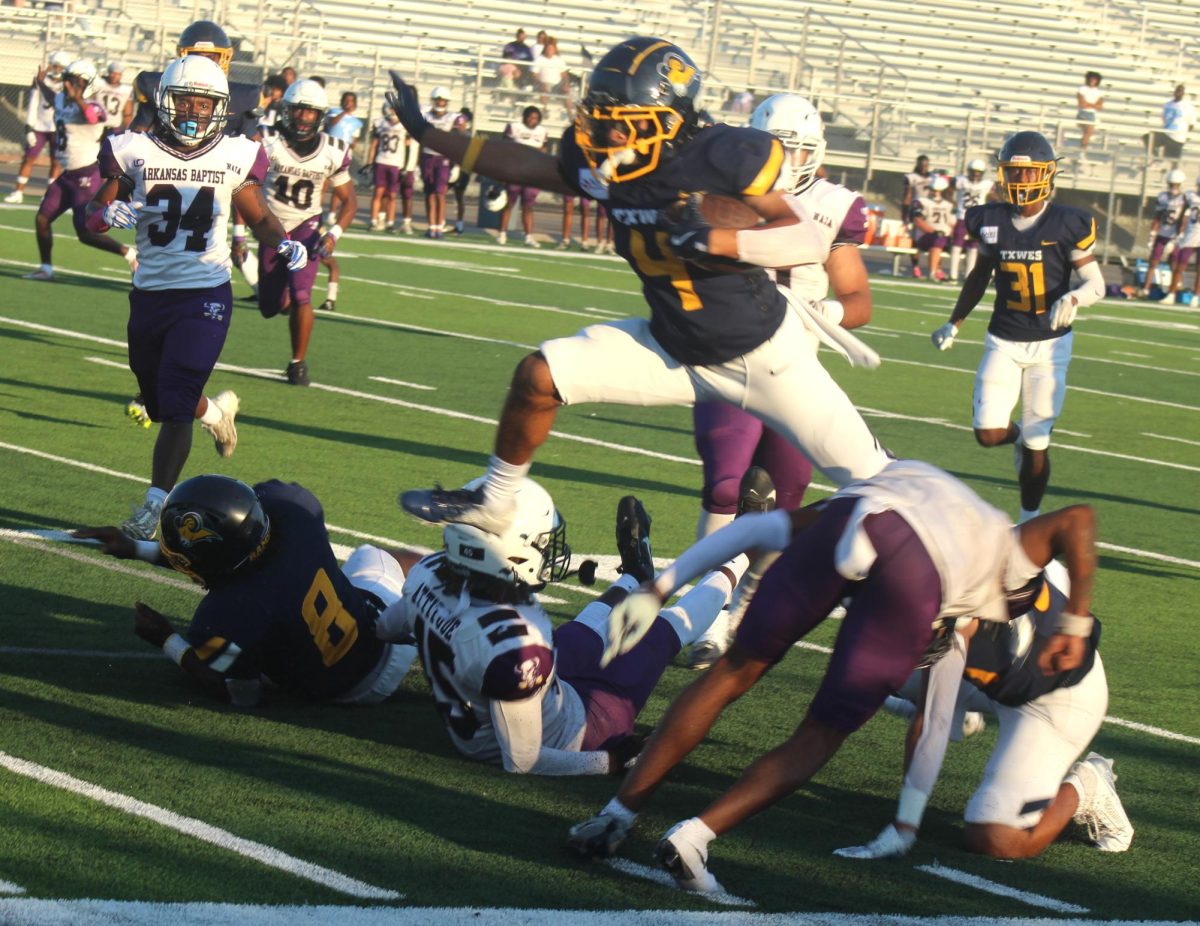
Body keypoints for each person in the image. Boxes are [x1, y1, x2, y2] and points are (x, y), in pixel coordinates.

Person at [388, 37, 890, 538]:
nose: (606, 129)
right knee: (538, 377)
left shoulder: (721, 154)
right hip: (673, 348)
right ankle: (495, 500)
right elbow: (526, 165)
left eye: (622, 118)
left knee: (882, 489)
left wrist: (719, 237)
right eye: (601, 115)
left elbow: (804, 236)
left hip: (767, 356)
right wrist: (428, 134)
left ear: (669, 117)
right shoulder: (615, 162)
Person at [565, 459, 1101, 894]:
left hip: (852, 520)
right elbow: (1076, 520)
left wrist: (660, 588)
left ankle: (617, 813)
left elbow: (760, 527)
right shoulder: (1004, 566)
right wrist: (1074, 622)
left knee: (733, 670)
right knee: (820, 730)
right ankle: (695, 837)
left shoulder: (921, 482)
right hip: (914, 573)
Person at [686, 92, 879, 669]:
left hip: (797, 370)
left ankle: (739, 610)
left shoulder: (830, 205)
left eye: (799, 149)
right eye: (778, 148)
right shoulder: (721, 198)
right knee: (726, 486)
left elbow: (859, 300)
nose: (790, 160)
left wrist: (829, 315)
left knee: (784, 501)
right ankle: (703, 611)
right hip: (731, 358)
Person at [376, 481, 747, 775]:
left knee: (586, 631)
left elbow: (386, 629)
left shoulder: (428, 574)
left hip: (544, 688)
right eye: (540, 542)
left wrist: (442, 631)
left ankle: (635, 575)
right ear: (509, 550)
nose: (549, 549)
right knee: (663, 632)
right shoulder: (515, 649)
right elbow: (524, 761)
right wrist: (611, 761)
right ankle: (745, 555)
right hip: (579, 730)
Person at [85, 54, 308, 539]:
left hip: (206, 290)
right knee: (160, 399)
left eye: (203, 104)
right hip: (150, 294)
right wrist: (108, 214)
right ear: (165, 101)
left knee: (178, 399)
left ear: (219, 109)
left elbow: (258, 214)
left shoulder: (233, 154)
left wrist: (283, 240)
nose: (193, 111)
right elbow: (91, 213)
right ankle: (218, 412)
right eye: (184, 100)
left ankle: (153, 505)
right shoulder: (133, 149)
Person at [835, 560, 1131, 861]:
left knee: (994, 839)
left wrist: (904, 827)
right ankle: (957, 708)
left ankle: (1088, 785)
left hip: (1055, 698)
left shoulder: (958, 604)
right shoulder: (951, 561)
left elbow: (930, 724)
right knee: (868, 665)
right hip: (991, 670)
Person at [75, 475, 419, 707]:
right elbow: (227, 555)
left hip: (355, 689)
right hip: (379, 622)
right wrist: (134, 548)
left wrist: (167, 639)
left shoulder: (228, 613)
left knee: (248, 658)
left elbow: (239, 694)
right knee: (382, 558)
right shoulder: (290, 509)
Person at [930, 131, 1104, 524]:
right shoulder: (989, 219)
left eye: (1029, 174)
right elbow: (979, 276)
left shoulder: (1066, 223)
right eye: (1014, 173)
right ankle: (1018, 441)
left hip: (1050, 346)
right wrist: (954, 322)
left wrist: (1075, 298)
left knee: (1039, 440)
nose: (1021, 182)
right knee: (988, 432)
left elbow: (1096, 283)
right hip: (1003, 339)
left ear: (1046, 174)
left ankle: (1029, 519)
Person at [251, 79, 355, 386]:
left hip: (307, 228)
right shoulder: (267, 140)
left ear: (320, 115)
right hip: (271, 228)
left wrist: (334, 232)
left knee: (301, 295)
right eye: (298, 111)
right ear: (286, 111)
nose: (303, 118)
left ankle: (298, 363)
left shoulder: (333, 150)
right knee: (270, 307)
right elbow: (245, 187)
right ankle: (287, 304)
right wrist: (241, 232)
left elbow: (349, 200)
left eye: (310, 113)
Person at [21, 59, 138, 283]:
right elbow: (51, 97)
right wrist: (40, 83)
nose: (68, 85)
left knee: (85, 233)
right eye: (68, 79)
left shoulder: (93, 106)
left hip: (87, 174)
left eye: (75, 81)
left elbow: (94, 117)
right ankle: (46, 268)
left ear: (87, 84)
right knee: (42, 219)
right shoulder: (62, 99)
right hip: (67, 175)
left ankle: (130, 254)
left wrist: (78, 99)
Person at [129, 21, 263, 137]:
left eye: (210, 57)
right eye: (196, 56)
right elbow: (136, 138)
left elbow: (255, 151)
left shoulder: (243, 97)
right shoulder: (157, 86)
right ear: (182, 56)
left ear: (224, 58)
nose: (202, 62)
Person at [4, 51, 69, 204]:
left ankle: (49, 195)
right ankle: (18, 191)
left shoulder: (68, 83)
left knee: (56, 162)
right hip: (40, 126)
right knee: (28, 158)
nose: (57, 69)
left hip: (58, 127)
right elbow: (33, 103)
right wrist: (29, 127)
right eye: (55, 65)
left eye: (60, 66)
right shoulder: (40, 80)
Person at [497, 106, 548, 247]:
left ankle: (529, 236)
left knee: (528, 206)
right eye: (530, 117)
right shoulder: (514, 127)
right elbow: (504, 147)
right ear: (524, 117)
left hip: (531, 174)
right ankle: (502, 233)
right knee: (509, 204)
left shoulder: (542, 131)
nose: (532, 120)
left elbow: (544, 149)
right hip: (516, 171)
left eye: (535, 118)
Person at [1141, 169, 1189, 297]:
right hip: (1162, 234)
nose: (1173, 187)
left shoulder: (1184, 198)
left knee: (1174, 264)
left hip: (1174, 235)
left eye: (1176, 184)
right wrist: (1152, 234)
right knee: (1153, 262)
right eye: (1172, 184)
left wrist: (1179, 236)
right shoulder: (1162, 196)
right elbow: (1157, 217)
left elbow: (1184, 219)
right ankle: (1146, 289)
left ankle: (1173, 290)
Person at [365, 102, 411, 232]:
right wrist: (369, 163)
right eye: (391, 108)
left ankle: (390, 223)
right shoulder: (379, 123)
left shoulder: (405, 125)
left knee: (392, 195)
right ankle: (373, 221)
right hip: (381, 161)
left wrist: (405, 167)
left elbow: (407, 148)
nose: (393, 111)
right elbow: (374, 145)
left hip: (395, 163)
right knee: (378, 193)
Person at [418, 87, 458, 239]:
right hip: (427, 157)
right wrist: (417, 163)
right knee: (429, 194)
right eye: (438, 99)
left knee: (440, 193)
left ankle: (439, 226)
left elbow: (457, 142)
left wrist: (456, 165)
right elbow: (420, 140)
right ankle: (431, 226)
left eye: (443, 100)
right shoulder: (425, 116)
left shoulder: (453, 118)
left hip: (443, 158)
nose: (440, 102)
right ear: (433, 100)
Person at [949, 158, 996, 281]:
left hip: (977, 219)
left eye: (978, 172)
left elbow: (993, 197)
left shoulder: (986, 184)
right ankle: (952, 274)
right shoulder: (961, 181)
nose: (975, 174)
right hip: (962, 217)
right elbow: (948, 190)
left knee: (973, 246)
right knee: (957, 245)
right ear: (968, 171)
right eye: (973, 171)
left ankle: (968, 275)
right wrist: (952, 203)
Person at [1162, 178, 1200, 305]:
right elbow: (1182, 214)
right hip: (1191, 234)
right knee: (1179, 266)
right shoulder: (1190, 196)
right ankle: (1171, 294)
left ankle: (1196, 296)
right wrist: (1178, 233)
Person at [910, 174, 955, 281]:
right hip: (926, 236)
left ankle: (957, 275)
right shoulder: (921, 202)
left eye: (939, 190)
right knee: (937, 239)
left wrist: (952, 235)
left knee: (963, 243)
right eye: (934, 190)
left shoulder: (949, 205)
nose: (936, 193)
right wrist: (934, 232)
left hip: (944, 237)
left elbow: (952, 224)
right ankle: (933, 273)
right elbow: (917, 220)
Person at [1149, 84, 1195, 165]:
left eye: (1180, 91)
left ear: (1183, 93)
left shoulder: (1188, 107)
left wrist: (1182, 132)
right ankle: (1156, 157)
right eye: (1177, 91)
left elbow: (1191, 125)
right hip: (1166, 134)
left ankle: (1173, 173)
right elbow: (1164, 118)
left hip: (1177, 138)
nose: (1178, 93)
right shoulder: (1167, 105)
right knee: (1148, 138)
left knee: (1174, 162)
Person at [903, 155, 933, 277]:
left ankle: (936, 268)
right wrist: (904, 215)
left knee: (935, 238)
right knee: (915, 240)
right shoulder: (912, 177)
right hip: (917, 209)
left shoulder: (933, 177)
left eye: (925, 165)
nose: (923, 167)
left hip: (931, 209)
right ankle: (915, 266)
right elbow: (907, 197)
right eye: (921, 164)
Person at [92, 60, 134, 135]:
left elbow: (128, 114)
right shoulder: (99, 84)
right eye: (113, 73)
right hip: (96, 125)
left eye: (118, 74)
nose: (115, 76)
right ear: (109, 73)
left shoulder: (126, 90)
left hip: (114, 127)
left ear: (121, 75)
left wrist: (125, 131)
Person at [449, 109, 473, 235]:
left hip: (462, 170)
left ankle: (459, 226)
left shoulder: (469, 137)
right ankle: (438, 223)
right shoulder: (452, 133)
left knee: (459, 197)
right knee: (439, 193)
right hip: (450, 167)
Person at [1075, 71, 1103, 156]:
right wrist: (1093, 105)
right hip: (1083, 113)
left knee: (1088, 132)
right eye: (1091, 79)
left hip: (1092, 115)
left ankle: (1082, 150)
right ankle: (1082, 150)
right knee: (1088, 131)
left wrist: (1089, 105)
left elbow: (1099, 106)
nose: (1092, 81)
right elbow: (1081, 104)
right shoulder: (1082, 89)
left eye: (1094, 79)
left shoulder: (1098, 92)